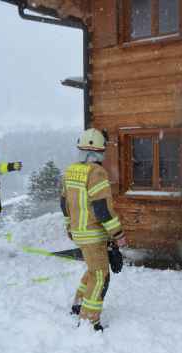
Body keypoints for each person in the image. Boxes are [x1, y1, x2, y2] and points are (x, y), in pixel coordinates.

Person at [61, 128, 127, 331]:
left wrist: (69, 226)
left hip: (79, 233)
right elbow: (102, 210)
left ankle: (78, 303)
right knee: (100, 276)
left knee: (92, 270)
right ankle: (89, 320)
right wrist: (118, 234)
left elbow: (64, 203)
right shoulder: (97, 172)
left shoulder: (70, 170)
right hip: (93, 235)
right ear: (98, 151)